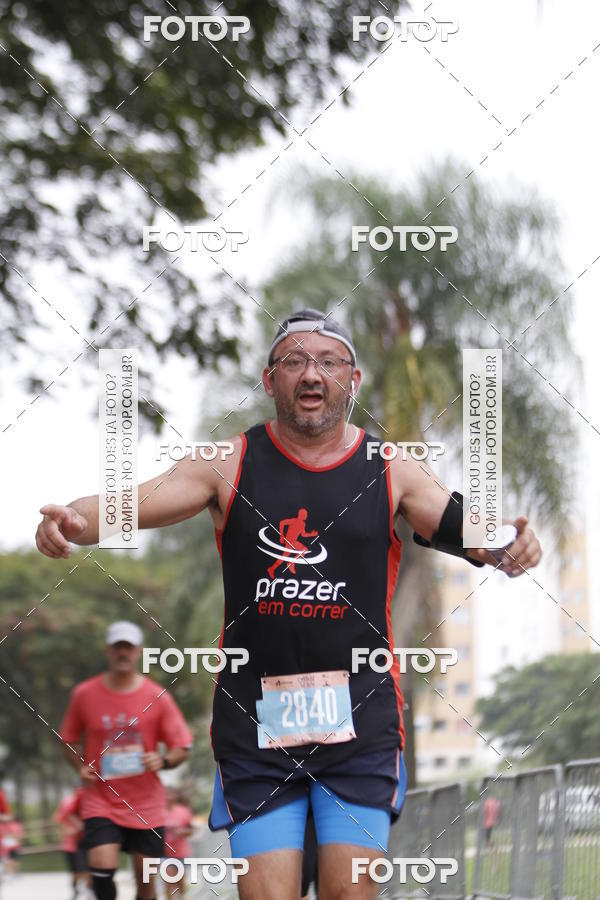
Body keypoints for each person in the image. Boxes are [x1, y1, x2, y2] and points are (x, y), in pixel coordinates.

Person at [36, 309, 542, 899]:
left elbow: (467, 526)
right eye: (295, 361)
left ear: (352, 381)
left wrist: (511, 543)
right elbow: (137, 500)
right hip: (256, 731)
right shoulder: (228, 463)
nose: (312, 374)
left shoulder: (390, 469)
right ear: (269, 378)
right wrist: (74, 520)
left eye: (329, 362)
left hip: (361, 724)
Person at [59, 621, 193, 900]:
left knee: (145, 882)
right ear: (108, 651)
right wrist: (79, 766)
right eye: (117, 647)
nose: (123, 653)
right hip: (101, 798)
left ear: (138, 651)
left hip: (146, 804)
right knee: (101, 869)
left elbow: (182, 746)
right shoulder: (84, 694)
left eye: (128, 647)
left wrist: (163, 761)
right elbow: (68, 740)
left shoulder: (157, 696)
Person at [53, 786, 93, 898]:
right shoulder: (67, 801)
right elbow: (59, 819)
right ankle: (76, 890)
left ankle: (88, 891)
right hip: (70, 844)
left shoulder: (90, 800)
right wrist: (70, 831)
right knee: (76, 871)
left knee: (86, 869)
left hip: (86, 842)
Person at [160, 788, 194, 898]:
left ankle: (181, 897)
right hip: (164, 853)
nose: (168, 797)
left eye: (171, 794)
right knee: (168, 881)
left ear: (176, 796)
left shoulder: (183, 811)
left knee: (180, 883)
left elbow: (191, 830)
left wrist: (182, 832)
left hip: (181, 853)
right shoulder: (157, 811)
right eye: (166, 794)